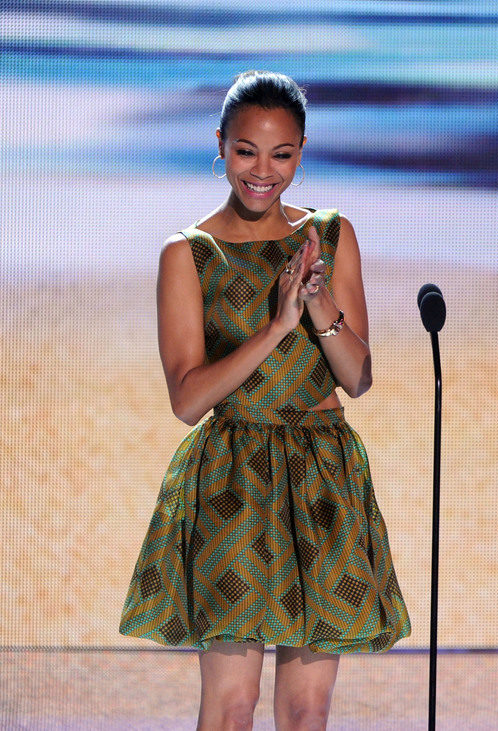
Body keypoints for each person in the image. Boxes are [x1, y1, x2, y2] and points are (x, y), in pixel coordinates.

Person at [119, 70, 410, 729]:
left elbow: (358, 379)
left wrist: (317, 303)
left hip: (324, 479)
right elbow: (189, 398)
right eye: (247, 150)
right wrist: (277, 326)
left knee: (308, 708)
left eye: (282, 154)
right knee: (232, 705)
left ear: (301, 151)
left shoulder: (330, 236)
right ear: (220, 144)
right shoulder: (189, 253)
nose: (263, 170)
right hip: (234, 480)